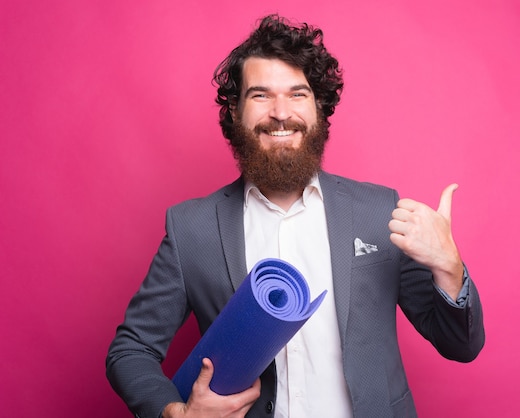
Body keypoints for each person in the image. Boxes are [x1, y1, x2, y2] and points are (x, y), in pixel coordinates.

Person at [106, 14, 485, 418]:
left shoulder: (378, 211)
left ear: (319, 107)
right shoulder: (191, 229)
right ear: (235, 110)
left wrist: (450, 267)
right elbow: (130, 350)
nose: (281, 113)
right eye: (260, 96)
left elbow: (460, 345)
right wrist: (172, 413)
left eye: (298, 94)